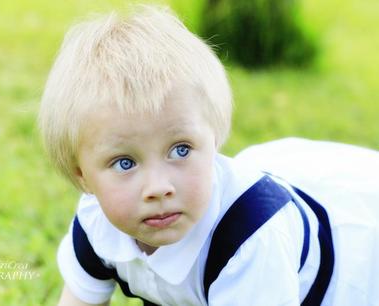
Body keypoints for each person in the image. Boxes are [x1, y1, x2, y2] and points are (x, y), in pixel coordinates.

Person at [38, 5, 379, 306]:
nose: (158, 187)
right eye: (125, 163)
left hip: (358, 260)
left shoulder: (248, 239)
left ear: (214, 141)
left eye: (181, 149)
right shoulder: (96, 222)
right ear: (83, 176)